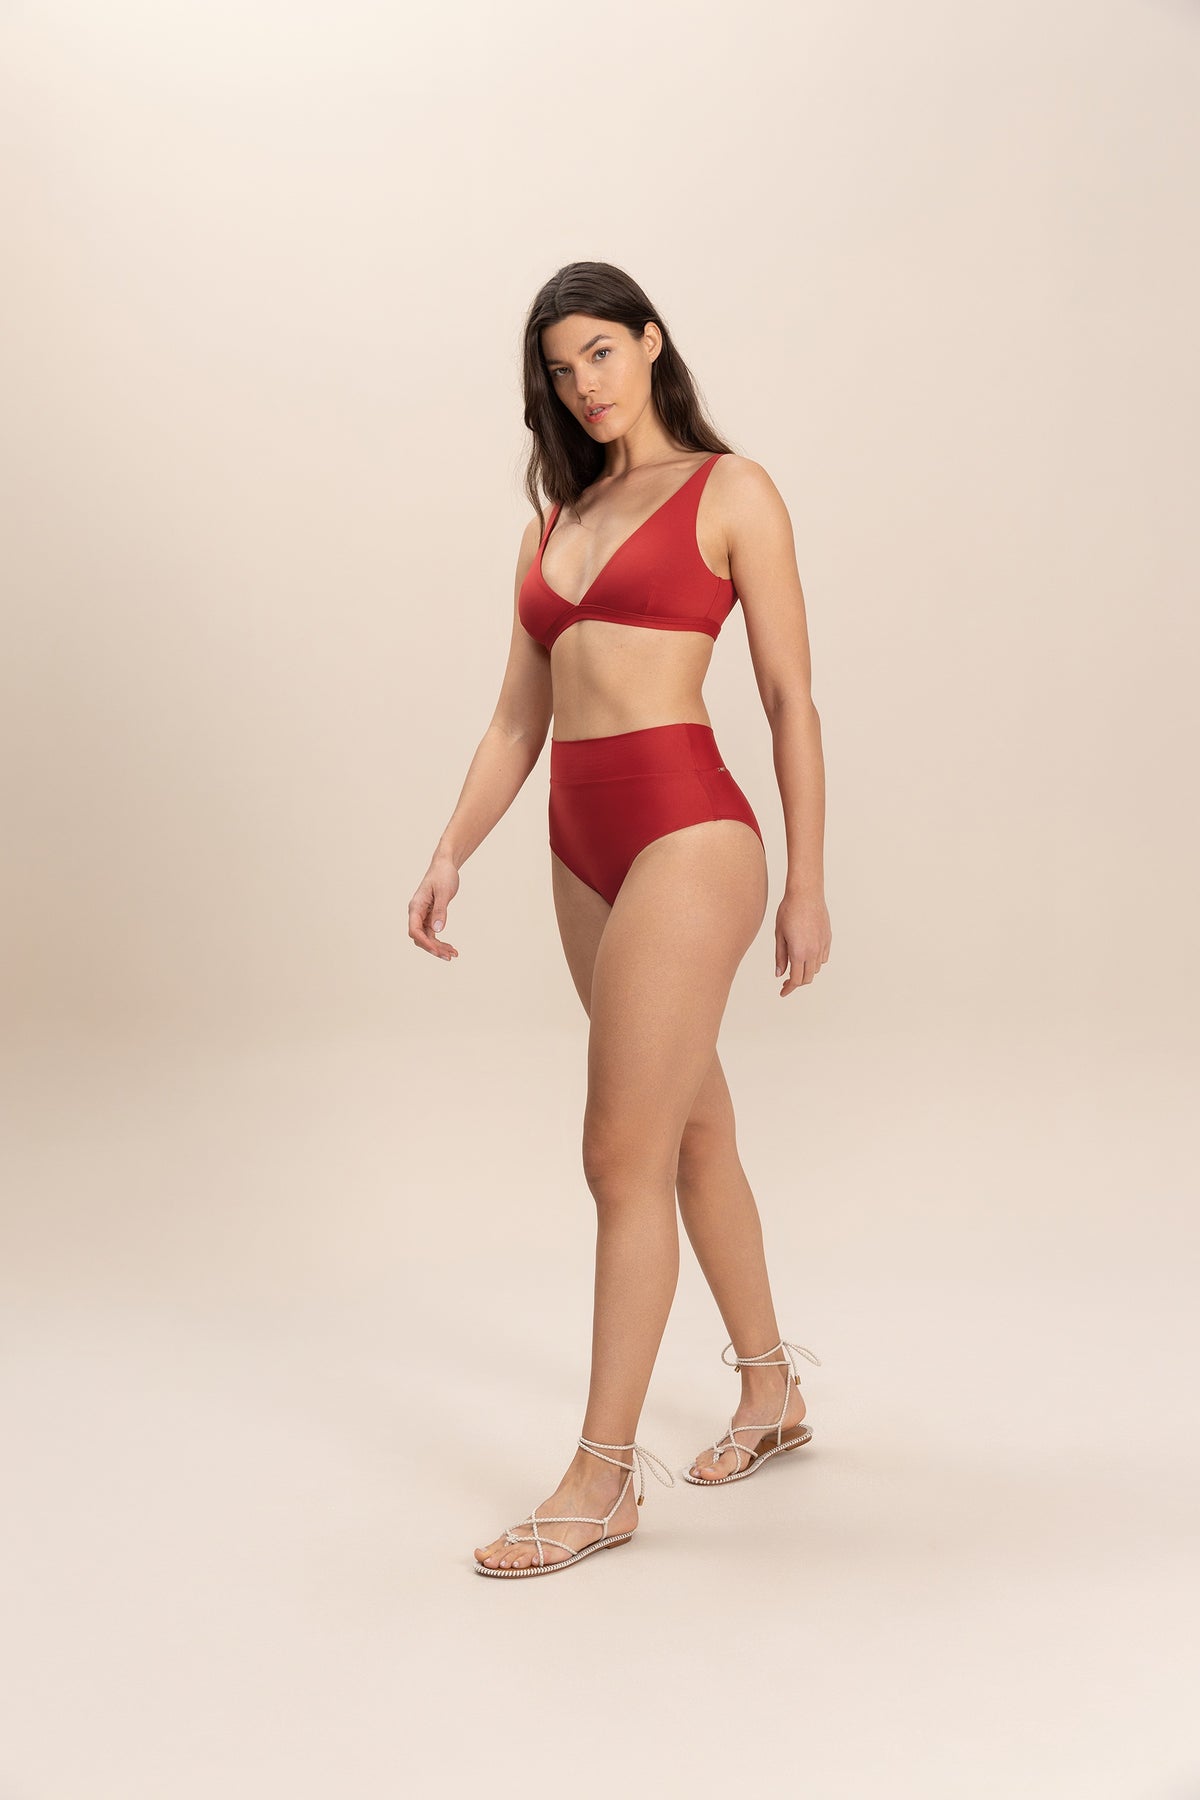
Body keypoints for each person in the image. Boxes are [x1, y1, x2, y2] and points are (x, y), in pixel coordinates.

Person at [407, 261, 831, 1578]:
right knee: (691, 1131)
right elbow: (516, 720)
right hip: (578, 845)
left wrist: (807, 880)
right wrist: (449, 850)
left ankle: (601, 1480)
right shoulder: (553, 521)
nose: (582, 383)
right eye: (559, 367)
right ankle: (770, 1390)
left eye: (600, 351)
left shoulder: (732, 490)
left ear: (651, 343)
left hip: (688, 831)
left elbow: (789, 698)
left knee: (616, 1154)